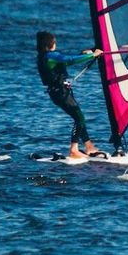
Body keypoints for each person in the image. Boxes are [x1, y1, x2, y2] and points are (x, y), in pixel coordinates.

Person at [36, 31, 105, 159]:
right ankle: (74, 149)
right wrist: (93, 55)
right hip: (61, 93)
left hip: (57, 93)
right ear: (50, 44)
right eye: (54, 42)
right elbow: (69, 60)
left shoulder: (43, 57)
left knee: (78, 117)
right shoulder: (52, 56)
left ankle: (89, 147)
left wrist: (82, 54)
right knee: (79, 118)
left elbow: (64, 61)